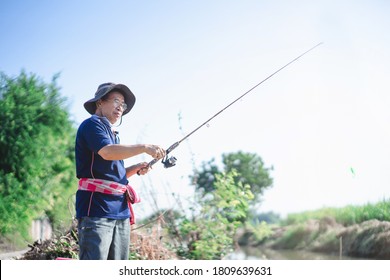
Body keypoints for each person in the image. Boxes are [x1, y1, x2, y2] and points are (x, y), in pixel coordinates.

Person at [75, 82, 165, 260]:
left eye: (123, 105)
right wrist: (144, 147)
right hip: (97, 209)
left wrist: (134, 169)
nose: (120, 108)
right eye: (116, 101)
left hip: (120, 210)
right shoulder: (92, 125)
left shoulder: (113, 133)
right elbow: (107, 152)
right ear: (100, 102)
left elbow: (111, 173)